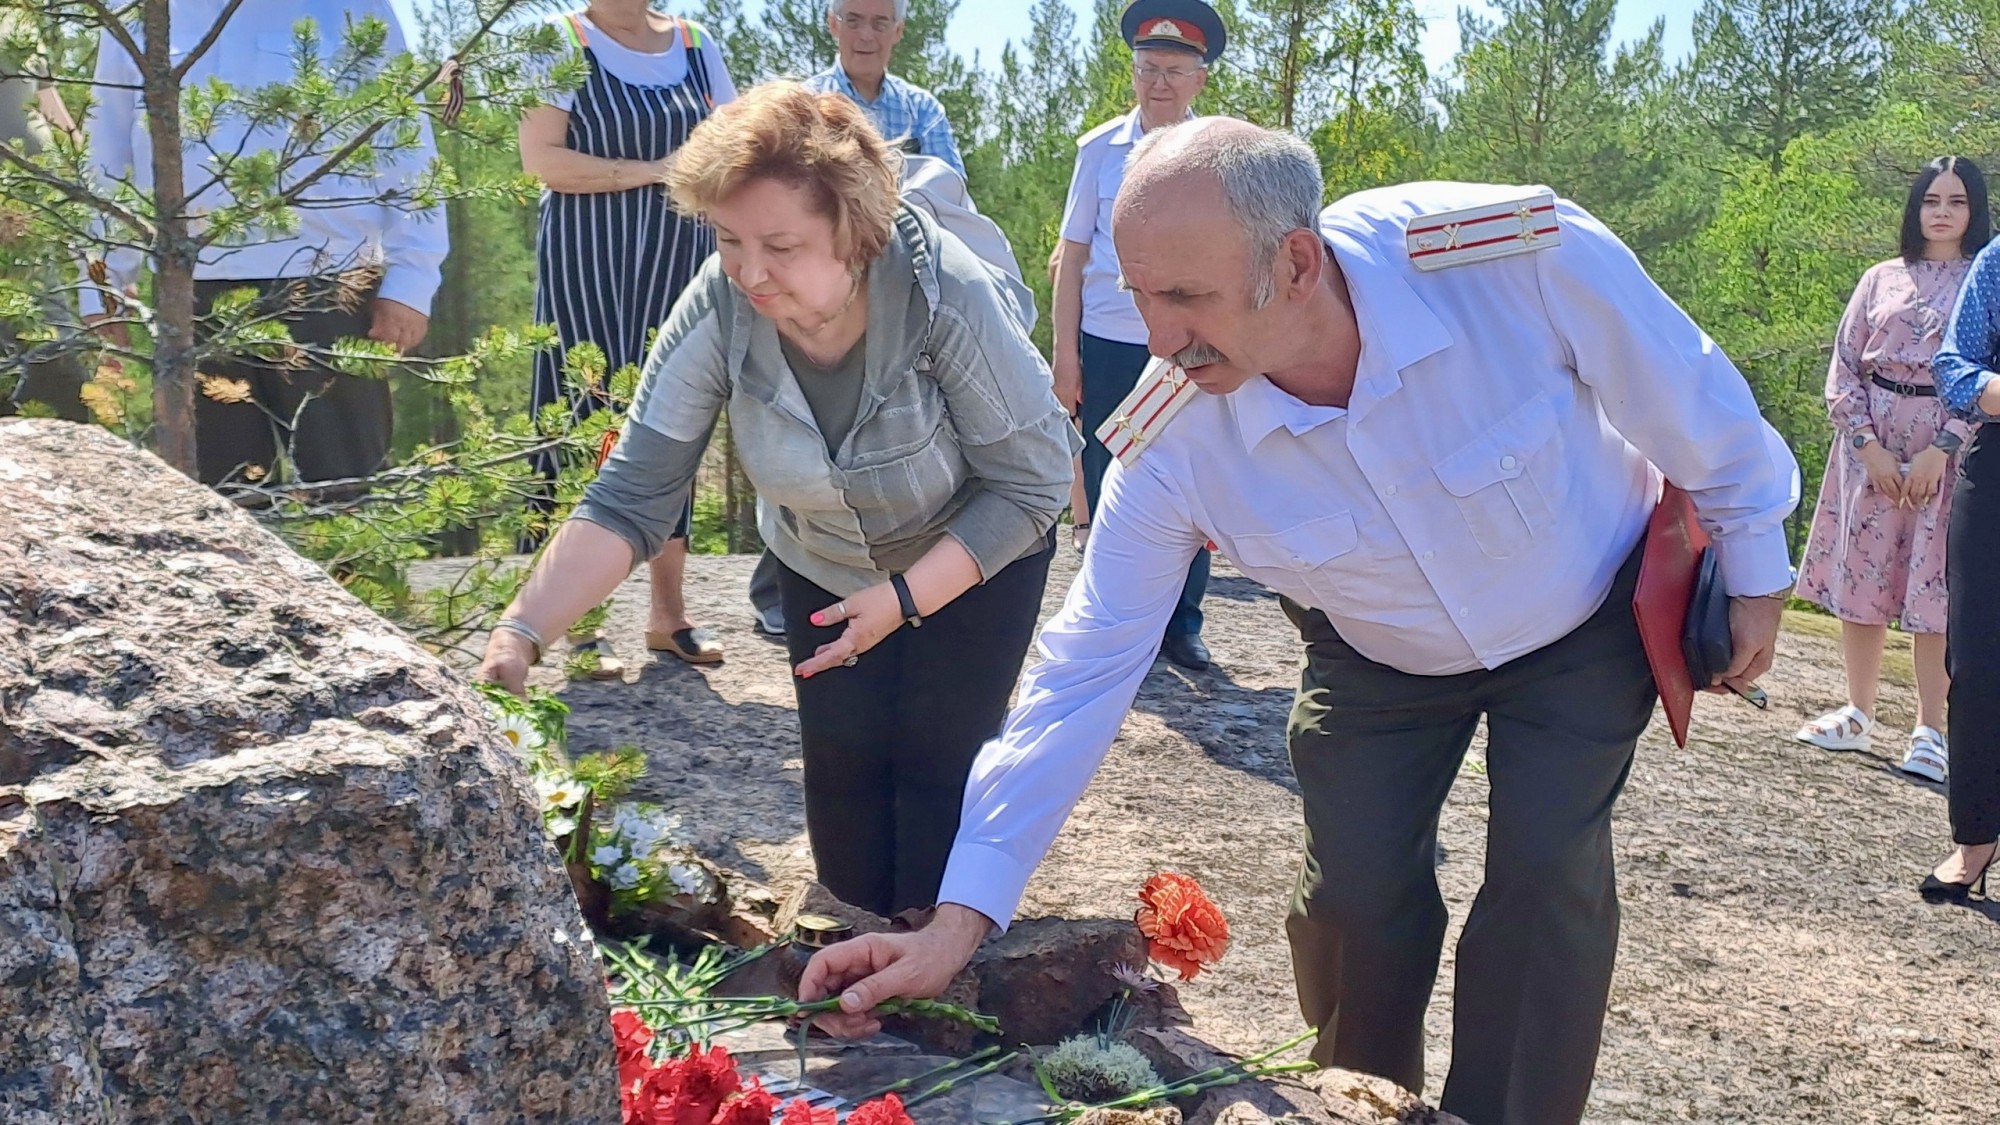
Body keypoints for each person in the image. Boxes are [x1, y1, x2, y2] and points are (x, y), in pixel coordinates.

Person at [801, 121, 1801, 1125]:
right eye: (1139, 295)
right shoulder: (1170, 436)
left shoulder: (1512, 255)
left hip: (1576, 617)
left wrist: (1754, 561)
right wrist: (958, 919)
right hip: (1374, 653)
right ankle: (1364, 1106)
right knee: (1351, 906)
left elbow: (1686, 390)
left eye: (1185, 296)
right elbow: (1082, 669)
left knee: (1545, 882)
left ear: (1294, 260)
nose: (1156, 337)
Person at [480, 82, 1077, 918]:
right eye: (728, 239)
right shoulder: (721, 301)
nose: (750, 273)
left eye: (782, 245)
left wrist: (905, 598)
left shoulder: (946, 289)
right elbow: (634, 490)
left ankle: (934, 978)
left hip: (972, 552)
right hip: (821, 557)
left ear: (854, 231)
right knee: (842, 770)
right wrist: (521, 631)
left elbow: (1034, 481)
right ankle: (851, 968)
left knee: (940, 763)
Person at [81, 1, 446, 488]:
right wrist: (102, 289)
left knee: (347, 495)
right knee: (219, 500)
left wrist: (411, 281)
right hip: (191, 291)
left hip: (334, 287)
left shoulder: (357, 5)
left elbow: (407, 148)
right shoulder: (138, 9)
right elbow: (106, 154)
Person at [519, 2, 737, 677]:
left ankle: (668, 617)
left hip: (684, 259)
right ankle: (580, 626)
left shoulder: (698, 44)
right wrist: (655, 170)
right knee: (593, 422)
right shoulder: (558, 40)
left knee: (677, 418)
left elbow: (733, 146)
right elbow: (543, 160)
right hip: (590, 261)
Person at [1793, 157, 1989, 782]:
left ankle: (1931, 729)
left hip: (1946, 447)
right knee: (1865, 576)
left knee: (1936, 587)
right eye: (1931, 199)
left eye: (1957, 201)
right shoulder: (1879, 278)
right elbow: (1845, 366)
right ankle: (1857, 710)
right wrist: (1866, 445)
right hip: (1871, 444)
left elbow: (1988, 371)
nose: (1942, 211)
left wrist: (1946, 446)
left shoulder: (1985, 281)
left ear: (1975, 211)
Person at [1054, 0, 1226, 671]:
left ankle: (1182, 623)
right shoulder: (1100, 152)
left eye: (1174, 70)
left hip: (1189, 344)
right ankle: (1116, 622)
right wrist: (1065, 356)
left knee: (1190, 479)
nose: (1158, 83)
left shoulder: (1218, 154)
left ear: (1198, 80)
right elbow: (1071, 257)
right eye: (1147, 68)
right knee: (1106, 481)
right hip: (1111, 341)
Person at [1921, 209, 2000, 904]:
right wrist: (1990, 390)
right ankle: (1975, 835)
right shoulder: (1999, 259)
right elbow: (1952, 366)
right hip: (1998, 465)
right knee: (1974, 660)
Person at [0, 13, 89, 423]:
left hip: (34, 202)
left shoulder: (18, 20)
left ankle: (67, 424)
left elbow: (51, 108)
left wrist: (81, 170)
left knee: (45, 313)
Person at [803, 0, 964, 177]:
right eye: (853, 21)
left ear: (898, 30)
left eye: (879, 24)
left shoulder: (924, 112)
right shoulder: (804, 106)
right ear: (833, 24)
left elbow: (951, 191)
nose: (865, 35)